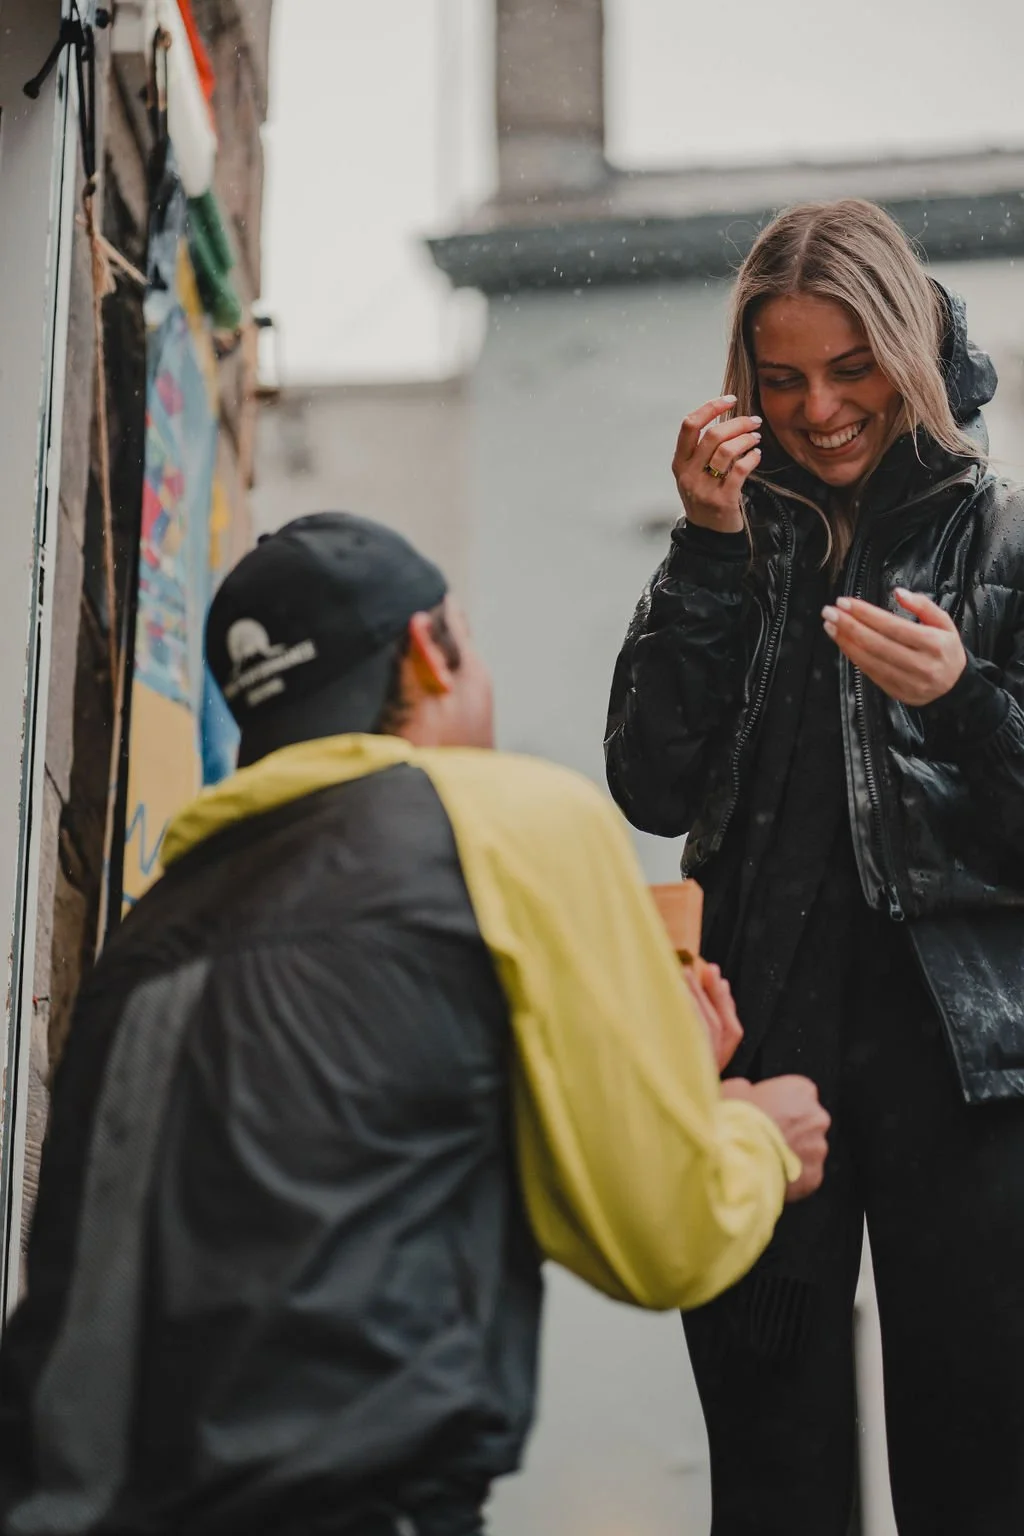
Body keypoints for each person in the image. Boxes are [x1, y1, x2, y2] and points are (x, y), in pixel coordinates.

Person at [0, 513, 829, 1536]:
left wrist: (652, 1080)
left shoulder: (152, 930)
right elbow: (660, 1238)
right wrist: (750, 1134)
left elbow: (344, 1173)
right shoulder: (506, 818)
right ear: (431, 653)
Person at [605, 198, 1024, 1536]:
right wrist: (708, 553)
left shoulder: (1000, 542)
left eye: (851, 371)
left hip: (970, 1073)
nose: (820, 410)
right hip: (761, 1049)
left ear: (907, 352)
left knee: (982, 1465)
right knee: (775, 1473)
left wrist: (966, 697)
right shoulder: (725, 540)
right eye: (780, 380)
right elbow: (649, 783)